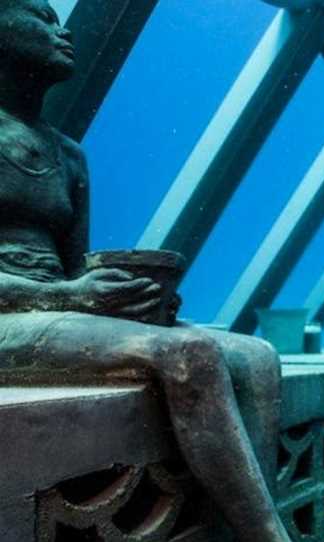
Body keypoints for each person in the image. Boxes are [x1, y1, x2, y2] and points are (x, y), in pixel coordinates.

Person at [0, 2, 292, 540]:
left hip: (56, 311)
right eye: (40, 17)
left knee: (256, 356)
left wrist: (136, 299)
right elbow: (68, 289)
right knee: (188, 353)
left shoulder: (68, 155)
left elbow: (73, 269)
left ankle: (239, 524)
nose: (61, 31)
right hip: (11, 316)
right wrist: (69, 298)